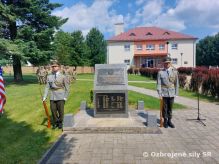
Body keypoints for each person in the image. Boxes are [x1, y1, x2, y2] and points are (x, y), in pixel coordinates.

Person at [43, 61, 70, 129]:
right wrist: (44, 97)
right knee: (53, 110)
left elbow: (67, 88)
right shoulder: (49, 76)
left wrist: (65, 97)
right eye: (53, 66)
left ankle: (60, 122)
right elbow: (47, 87)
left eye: (55, 66)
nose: (53, 67)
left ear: (59, 67)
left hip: (61, 96)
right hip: (52, 96)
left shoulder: (63, 76)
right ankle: (56, 121)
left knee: (60, 110)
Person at [157, 57, 179, 128]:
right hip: (164, 93)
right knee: (164, 108)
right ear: (163, 64)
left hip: (172, 92)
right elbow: (158, 84)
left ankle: (170, 120)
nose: (167, 64)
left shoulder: (175, 72)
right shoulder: (160, 72)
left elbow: (176, 83)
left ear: (170, 63)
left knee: (170, 107)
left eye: (168, 63)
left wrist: (176, 93)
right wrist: (160, 93)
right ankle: (165, 121)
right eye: (165, 63)